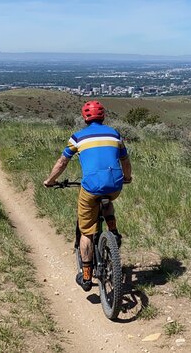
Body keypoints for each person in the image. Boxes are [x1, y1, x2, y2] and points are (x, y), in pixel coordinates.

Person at [43, 101, 132, 291]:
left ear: (85, 117)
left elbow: (62, 163)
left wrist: (50, 180)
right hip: (115, 184)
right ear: (103, 117)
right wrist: (128, 177)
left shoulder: (77, 138)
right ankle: (113, 231)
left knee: (86, 232)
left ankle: (86, 276)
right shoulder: (115, 134)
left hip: (91, 187)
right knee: (107, 199)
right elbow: (125, 159)